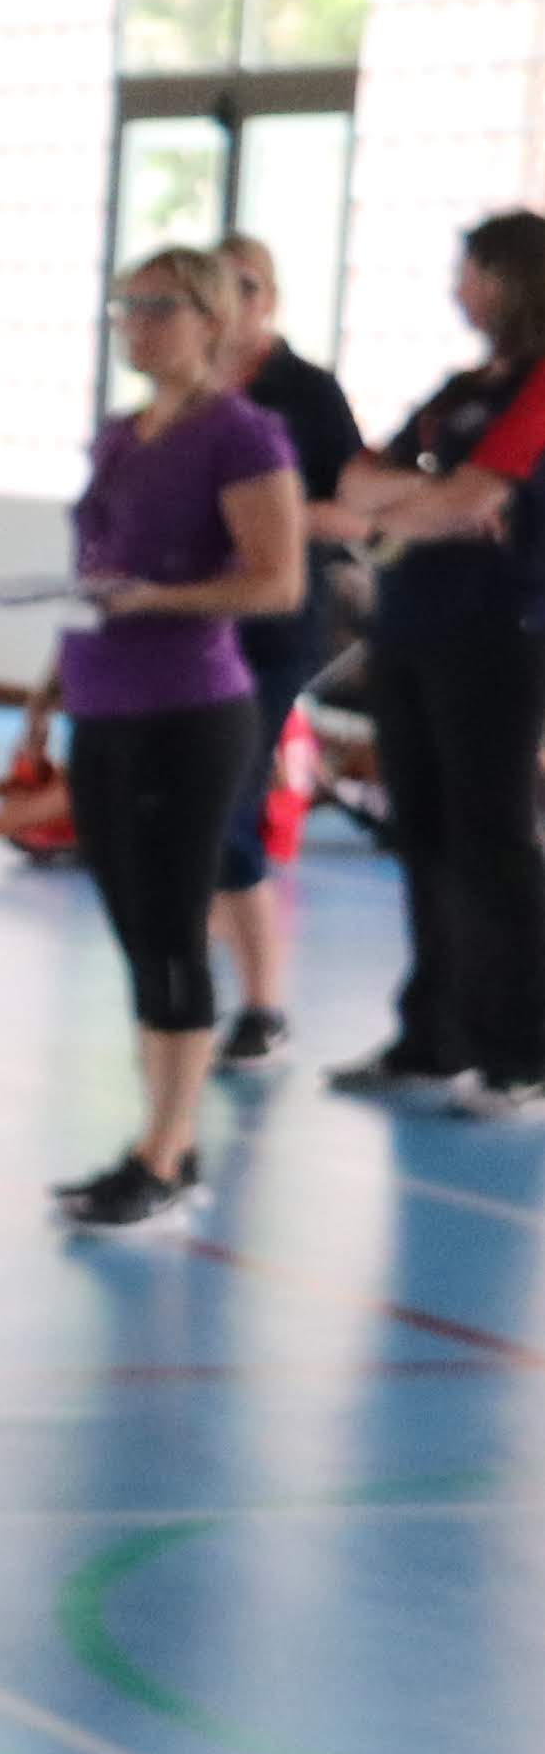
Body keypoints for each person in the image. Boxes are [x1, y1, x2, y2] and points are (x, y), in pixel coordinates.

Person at [42, 246, 307, 1227]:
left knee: (166, 925)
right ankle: (166, 1138)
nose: (135, 323)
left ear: (208, 319)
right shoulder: (120, 434)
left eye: (156, 306)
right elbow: (97, 567)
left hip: (185, 708)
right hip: (99, 697)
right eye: (125, 305)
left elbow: (273, 581)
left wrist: (164, 599)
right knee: (130, 927)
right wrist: (46, 688)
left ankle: (162, 1152)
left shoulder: (240, 434)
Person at [327, 209, 545, 1120]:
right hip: (411, 629)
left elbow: (476, 493)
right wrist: (427, 500)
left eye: (470, 272)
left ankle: (522, 1050)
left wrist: (428, 500)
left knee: (490, 840)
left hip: (496, 637)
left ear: (508, 279)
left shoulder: (536, 387)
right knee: (418, 837)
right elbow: (356, 483)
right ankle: (435, 1037)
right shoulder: (459, 389)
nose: (458, 290)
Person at [206, 234, 368, 1067]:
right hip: (189, 624)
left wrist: (268, 515)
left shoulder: (306, 394)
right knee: (187, 809)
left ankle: (263, 1007)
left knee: (231, 806)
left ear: (269, 297)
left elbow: (354, 513)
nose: (230, 301)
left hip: (273, 626)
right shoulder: (188, 389)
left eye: (247, 286)